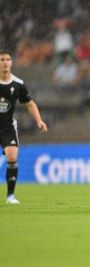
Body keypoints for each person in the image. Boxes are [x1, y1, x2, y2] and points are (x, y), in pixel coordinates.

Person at [0, 50, 48, 204]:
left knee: (12, 157)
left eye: (8, 59)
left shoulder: (18, 84)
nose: (5, 62)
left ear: (12, 63)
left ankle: (10, 196)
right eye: (2, 60)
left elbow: (30, 104)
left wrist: (39, 120)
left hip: (7, 127)